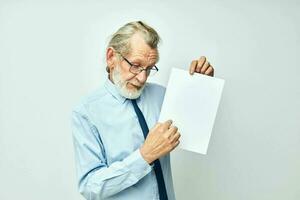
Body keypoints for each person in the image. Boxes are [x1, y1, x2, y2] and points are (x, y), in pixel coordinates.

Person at [71, 21, 214, 200]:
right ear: (111, 57)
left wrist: (202, 86)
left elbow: (196, 129)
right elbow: (90, 186)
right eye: (136, 65)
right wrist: (144, 156)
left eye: (148, 68)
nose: (142, 78)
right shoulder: (87, 112)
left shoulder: (161, 95)